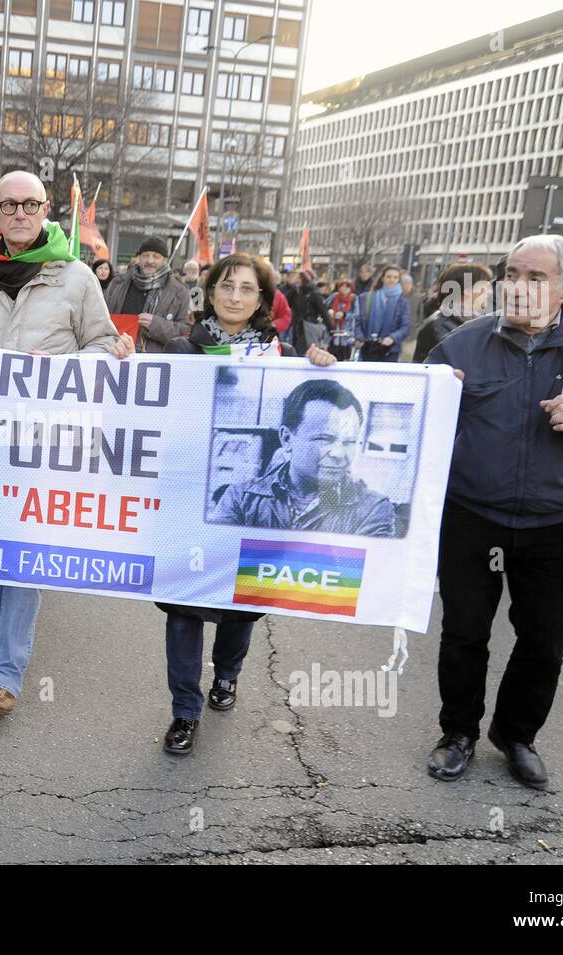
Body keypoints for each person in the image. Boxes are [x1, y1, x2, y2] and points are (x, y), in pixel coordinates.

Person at [425, 234, 563, 789]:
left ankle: (516, 734)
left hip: (552, 523)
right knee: (464, 633)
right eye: (512, 274)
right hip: (471, 518)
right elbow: (409, 422)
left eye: (535, 278)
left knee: (546, 638)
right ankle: (458, 734)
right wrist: (431, 395)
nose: (517, 288)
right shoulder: (462, 345)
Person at [0, 169, 132, 716]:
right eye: (10, 206)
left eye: (31, 205)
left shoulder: (75, 277)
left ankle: (7, 672)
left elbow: (103, 346)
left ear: (47, 210)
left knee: (24, 551)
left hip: (45, 440)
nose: (21, 214)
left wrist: (57, 370)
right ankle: (9, 645)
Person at [159, 253, 335, 755]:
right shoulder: (180, 349)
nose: (235, 296)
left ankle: (228, 673)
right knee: (184, 607)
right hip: (189, 497)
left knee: (241, 602)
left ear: (262, 300)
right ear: (210, 291)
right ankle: (184, 710)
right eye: (226, 286)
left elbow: (317, 396)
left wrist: (321, 364)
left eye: (247, 289)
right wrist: (129, 360)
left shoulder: (282, 357)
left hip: (254, 501)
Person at [212, 379, 394, 536]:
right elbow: (219, 563)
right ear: (286, 438)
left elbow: (370, 571)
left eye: (349, 442)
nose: (338, 453)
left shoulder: (373, 508)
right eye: (324, 439)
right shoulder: (241, 499)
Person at [103, 236, 191, 352]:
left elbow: (186, 333)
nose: (150, 261)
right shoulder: (118, 283)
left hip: (154, 361)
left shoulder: (179, 291)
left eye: (156, 256)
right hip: (117, 354)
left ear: (165, 260)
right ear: (139, 257)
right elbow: (102, 318)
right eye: (145, 255)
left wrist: (156, 325)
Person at [411, 263, 492, 363]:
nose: (489, 292)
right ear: (467, 290)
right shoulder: (438, 326)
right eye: (485, 286)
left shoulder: (479, 322)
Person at [352, 264, 410, 362]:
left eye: (395, 277)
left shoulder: (403, 300)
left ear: (399, 280)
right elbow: (358, 322)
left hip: (390, 350)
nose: (391, 280)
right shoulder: (366, 298)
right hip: (368, 348)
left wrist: (392, 338)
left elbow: (405, 326)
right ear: (382, 278)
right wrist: (359, 337)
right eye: (388, 277)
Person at [284, 269, 332, 354]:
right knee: (297, 351)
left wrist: (331, 329)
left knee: (307, 351)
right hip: (297, 327)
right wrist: (293, 290)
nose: (295, 283)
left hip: (309, 326)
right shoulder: (297, 292)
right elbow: (285, 302)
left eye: (298, 280)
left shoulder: (313, 294)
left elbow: (324, 312)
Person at [325, 278, 356, 361]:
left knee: (344, 351)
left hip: (346, 328)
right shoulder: (334, 296)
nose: (344, 289)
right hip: (334, 326)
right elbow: (324, 305)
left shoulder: (353, 298)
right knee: (332, 349)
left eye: (347, 287)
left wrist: (344, 315)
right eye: (342, 286)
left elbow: (356, 313)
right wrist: (330, 310)